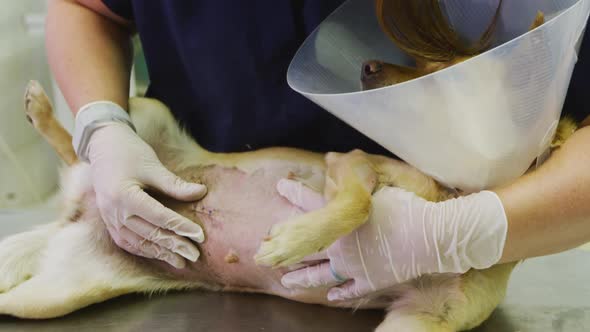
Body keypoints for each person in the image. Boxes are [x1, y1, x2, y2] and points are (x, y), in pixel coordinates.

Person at [47, 1, 590, 300]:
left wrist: (466, 230)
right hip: (183, 259)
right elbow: (88, 8)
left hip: (437, 260)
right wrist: (102, 122)